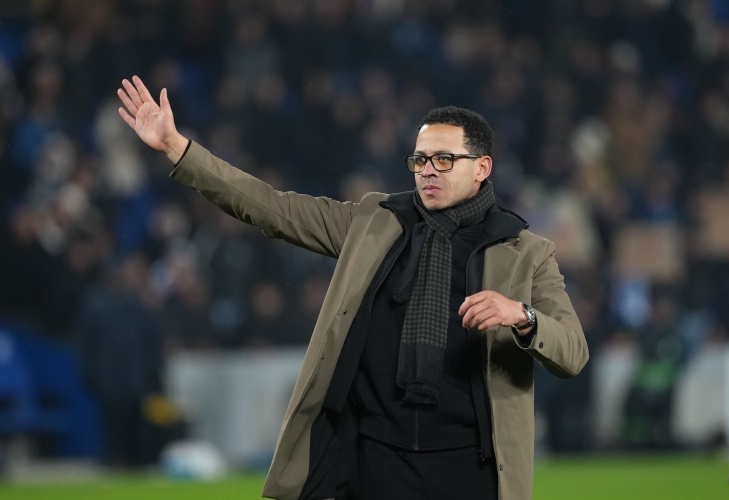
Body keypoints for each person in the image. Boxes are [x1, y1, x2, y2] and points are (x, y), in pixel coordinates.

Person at [117, 75, 589, 500]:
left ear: (482, 168)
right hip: (377, 462)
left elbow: (573, 351)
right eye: (420, 159)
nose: (428, 170)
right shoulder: (375, 221)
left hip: (471, 467)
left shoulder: (527, 251)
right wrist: (178, 148)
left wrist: (522, 316)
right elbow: (270, 207)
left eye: (444, 160)